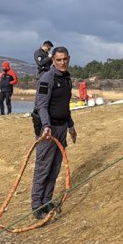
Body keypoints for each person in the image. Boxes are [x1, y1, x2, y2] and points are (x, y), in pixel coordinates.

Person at [32, 46, 77, 219]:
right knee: (43, 168)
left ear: (69, 58)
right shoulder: (46, 79)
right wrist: (46, 126)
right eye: (58, 60)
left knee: (54, 168)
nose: (62, 62)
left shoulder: (67, 79)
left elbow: (65, 106)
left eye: (65, 59)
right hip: (47, 130)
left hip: (61, 129)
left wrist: (71, 126)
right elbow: (41, 105)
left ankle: (46, 201)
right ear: (53, 61)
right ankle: (37, 206)